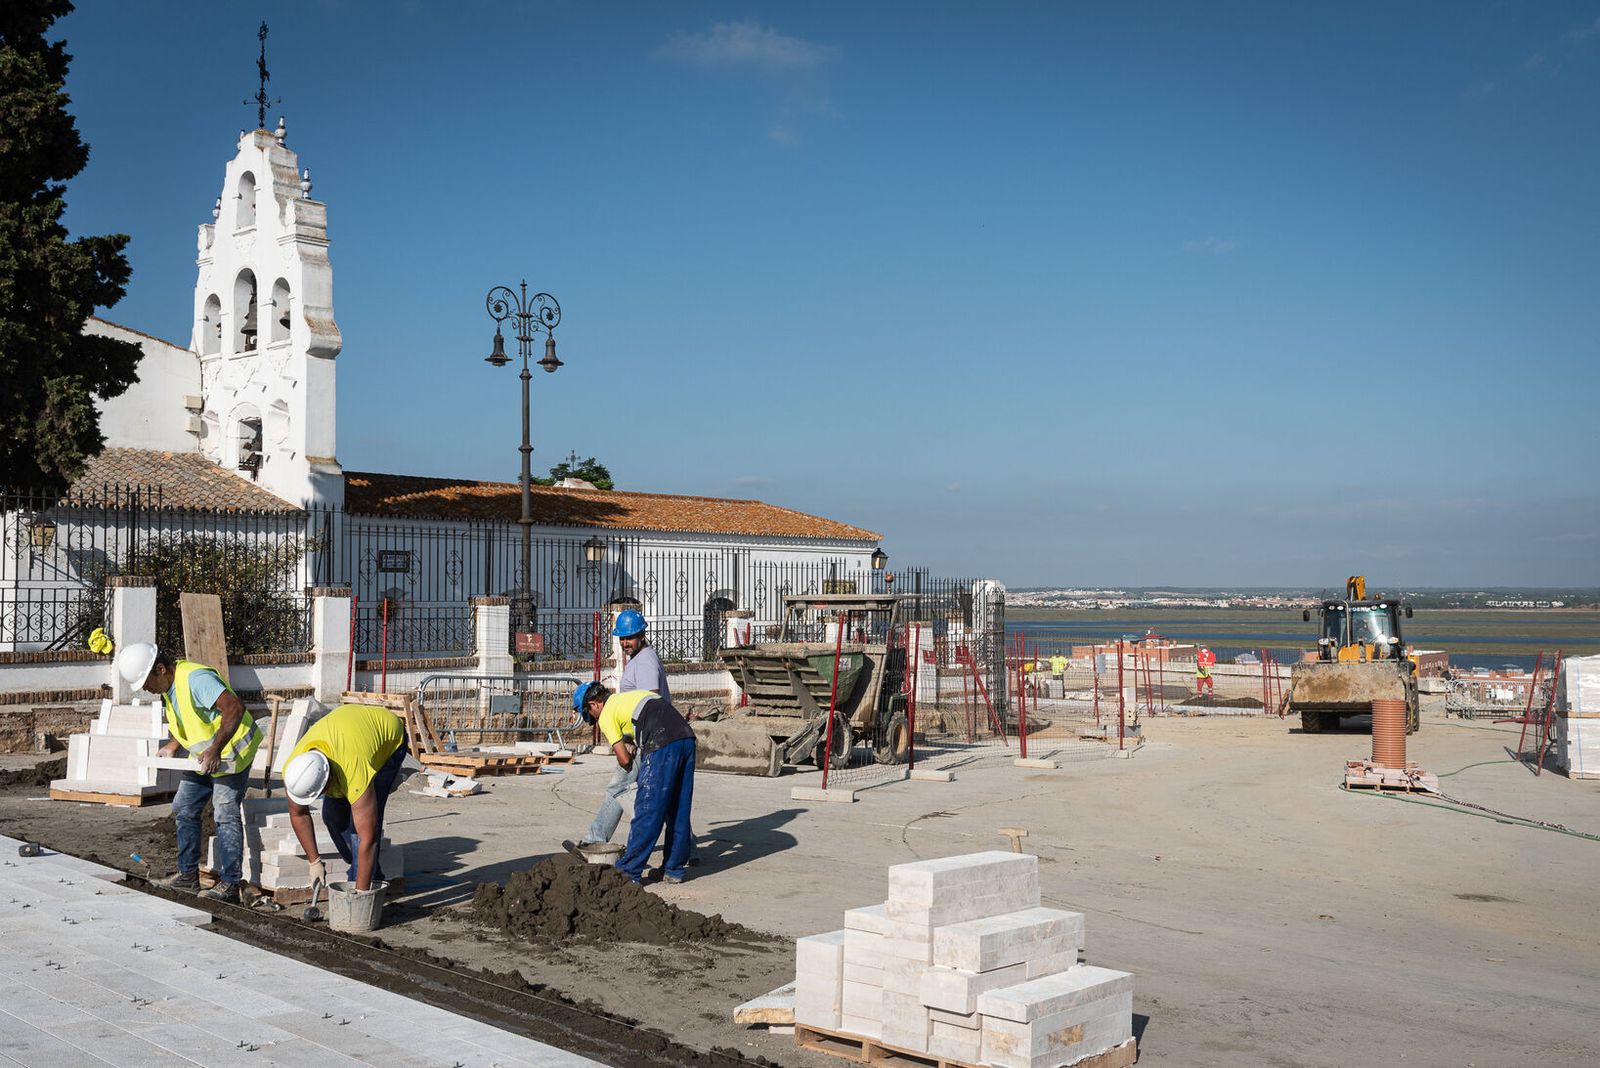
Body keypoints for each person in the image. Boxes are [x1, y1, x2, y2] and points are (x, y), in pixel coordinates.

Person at [114, 642, 261, 902]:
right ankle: (187, 876)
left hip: (233, 753)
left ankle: (229, 883)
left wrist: (215, 749)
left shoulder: (196, 678)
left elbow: (235, 708)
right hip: (206, 756)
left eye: (146, 682)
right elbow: (189, 721)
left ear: (160, 669)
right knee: (184, 807)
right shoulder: (170, 688)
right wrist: (172, 745)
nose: (146, 689)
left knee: (225, 811)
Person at [563, 609, 676, 853]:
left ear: (642, 634)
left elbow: (649, 704)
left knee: (621, 788)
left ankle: (595, 839)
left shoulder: (645, 661)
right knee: (659, 796)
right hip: (644, 737)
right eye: (622, 638)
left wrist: (633, 743)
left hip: (647, 739)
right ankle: (686, 846)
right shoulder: (639, 659)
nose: (625, 643)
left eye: (630, 637)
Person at [575, 682, 697, 884]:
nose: (595, 720)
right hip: (686, 738)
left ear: (594, 704)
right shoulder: (627, 697)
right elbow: (641, 718)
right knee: (678, 808)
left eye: (591, 715)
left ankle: (629, 872)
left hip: (661, 743)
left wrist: (631, 761)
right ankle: (673, 869)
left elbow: (624, 760)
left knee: (647, 808)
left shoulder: (606, 714)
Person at [281, 704, 409, 892]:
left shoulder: (354, 769)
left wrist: (359, 897)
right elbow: (298, 814)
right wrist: (314, 862)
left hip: (389, 740)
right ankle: (370, 872)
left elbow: (368, 838)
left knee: (358, 831)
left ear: (328, 777)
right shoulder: (294, 770)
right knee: (333, 817)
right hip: (347, 731)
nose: (322, 795)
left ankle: (361, 880)